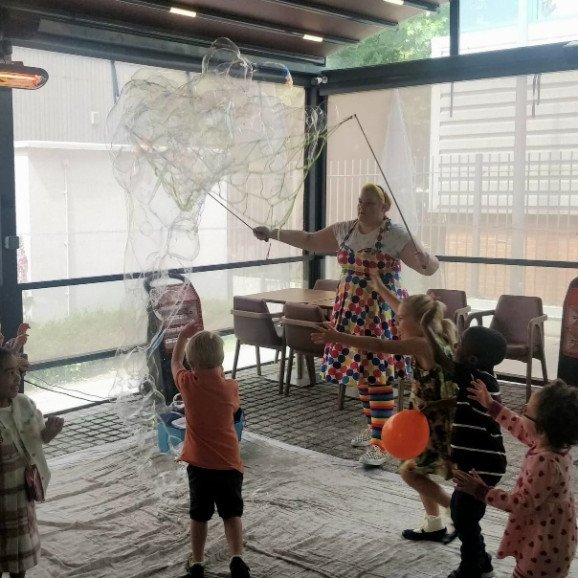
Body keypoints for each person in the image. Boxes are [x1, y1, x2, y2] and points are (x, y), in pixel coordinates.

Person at [253, 183, 438, 466]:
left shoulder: (395, 234)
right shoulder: (345, 230)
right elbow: (310, 239)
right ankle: (375, 427)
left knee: (377, 373)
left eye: (370, 204)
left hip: (379, 311)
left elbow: (428, 266)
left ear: (384, 207)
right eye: (360, 202)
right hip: (350, 309)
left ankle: (381, 441)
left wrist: (427, 256)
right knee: (361, 371)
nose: (362, 208)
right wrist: (273, 233)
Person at [312, 290, 458, 539]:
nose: (396, 323)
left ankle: (454, 509)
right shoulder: (436, 337)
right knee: (415, 468)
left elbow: (380, 345)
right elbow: (402, 309)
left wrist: (337, 337)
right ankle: (434, 523)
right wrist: (379, 288)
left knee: (409, 472)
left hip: (433, 424)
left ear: (419, 320)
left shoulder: (422, 344)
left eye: (401, 319)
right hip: (428, 420)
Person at [455, 379, 578, 578]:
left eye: (526, 410)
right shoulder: (555, 444)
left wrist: (481, 490)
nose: (521, 412)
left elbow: (521, 503)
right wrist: (490, 404)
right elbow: (520, 427)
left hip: (543, 545)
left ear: (542, 427)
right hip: (555, 537)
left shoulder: (545, 461)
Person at [423, 321, 508, 577]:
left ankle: (471, 567)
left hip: (480, 463)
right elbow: (464, 399)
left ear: (471, 359)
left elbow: (440, 358)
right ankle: (481, 560)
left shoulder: (475, 377)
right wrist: (439, 404)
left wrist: (426, 327)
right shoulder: (483, 381)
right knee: (464, 513)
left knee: (464, 516)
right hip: (478, 461)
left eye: (459, 345)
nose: (455, 347)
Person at [171, 326, 250, 578]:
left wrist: (183, 337)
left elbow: (174, 362)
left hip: (199, 466)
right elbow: (234, 411)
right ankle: (237, 559)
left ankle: (197, 562)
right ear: (221, 361)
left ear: (192, 363)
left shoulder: (187, 384)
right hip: (229, 465)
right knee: (231, 514)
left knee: (199, 516)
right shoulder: (230, 387)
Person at [0, 346, 64, 578]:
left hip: (21, 495)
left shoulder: (25, 405)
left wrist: (50, 432)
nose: (17, 377)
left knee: (21, 549)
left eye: (17, 371)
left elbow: (39, 437)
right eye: (8, 372)